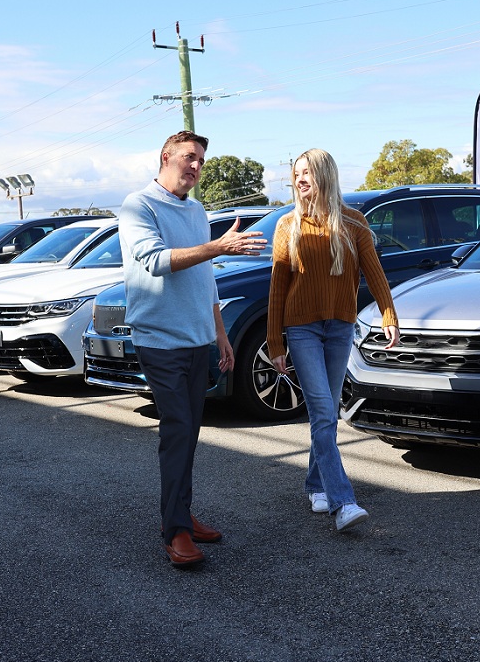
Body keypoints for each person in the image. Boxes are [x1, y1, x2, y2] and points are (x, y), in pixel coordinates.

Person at [120, 130, 267, 567]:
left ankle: (180, 513)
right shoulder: (138, 205)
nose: (196, 167)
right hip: (161, 340)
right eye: (189, 157)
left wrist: (219, 332)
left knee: (190, 434)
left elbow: (205, 279)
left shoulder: (198, 209)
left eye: (201, 160)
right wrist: (218, 246)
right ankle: (176, 532)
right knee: (178, 431)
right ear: (165, 156)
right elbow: (155, 261)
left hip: (199, 339)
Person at [267, 148, 399, 531]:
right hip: (302, 328)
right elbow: (277, 289)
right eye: (296, 172)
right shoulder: (288, 226)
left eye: (307, 171)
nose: (300, 178)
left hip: (340, 327)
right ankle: (343, 502)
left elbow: (374, 274)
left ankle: (315, 484)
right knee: (324, 412)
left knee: (323, 415)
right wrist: (275, 343)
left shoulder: (354, 223)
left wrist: (388, 314)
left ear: (325, 174)